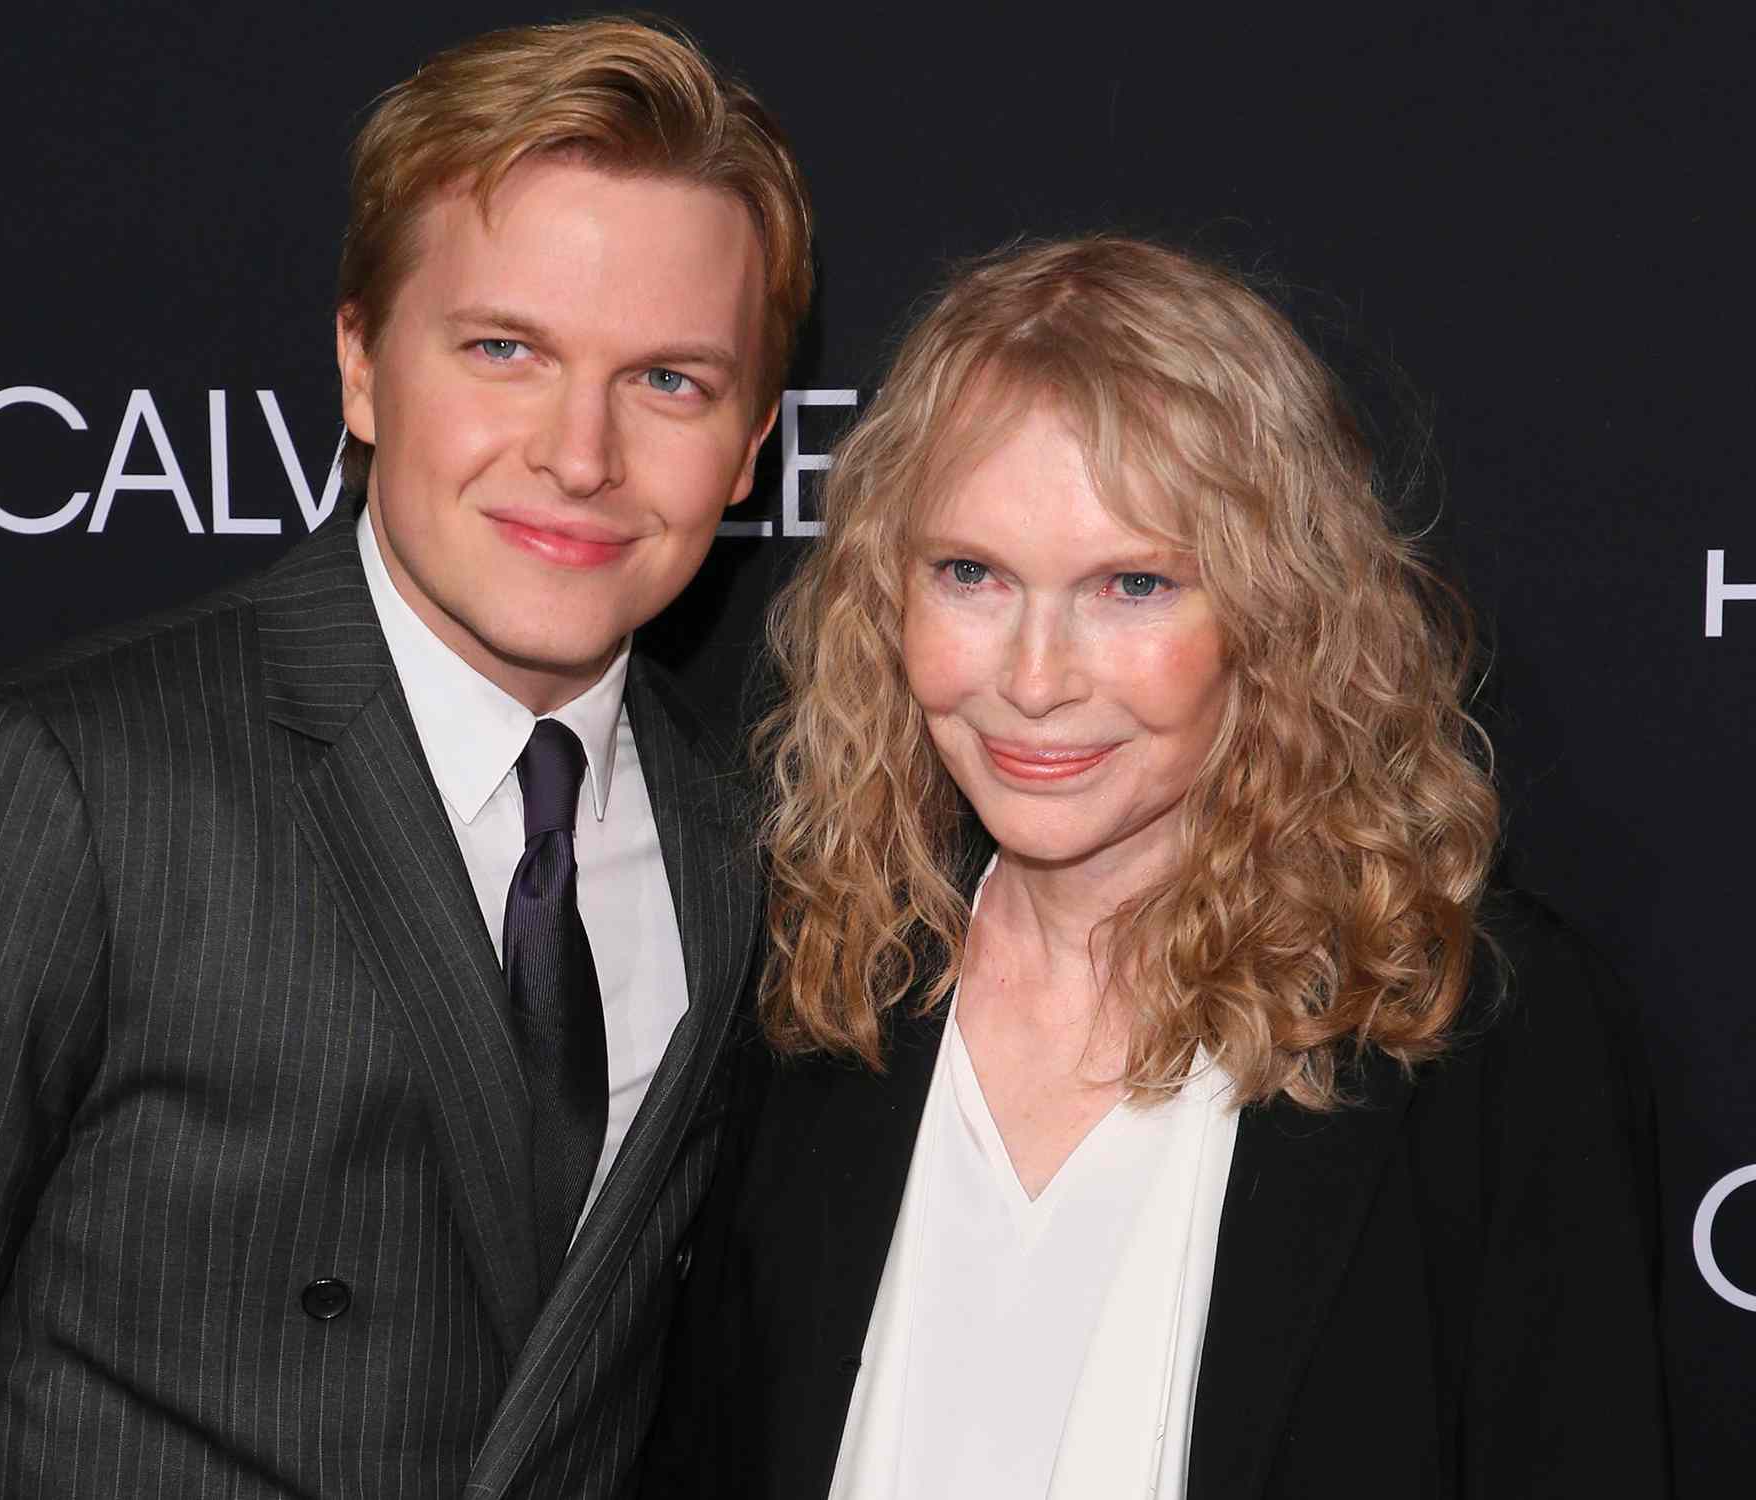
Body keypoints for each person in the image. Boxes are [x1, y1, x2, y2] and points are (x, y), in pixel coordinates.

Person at [0, 17, 811, 1497]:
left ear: (753, 443)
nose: (582, 453)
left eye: (669, 384)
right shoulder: (52, 787)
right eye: (505, 350)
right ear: (364, 367)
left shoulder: (738, 845)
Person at [642, 236, 1668, 1498]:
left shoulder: (1476, 1036)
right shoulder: (811, 991)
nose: (1031, 678)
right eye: (969, 574)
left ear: (1274, 611)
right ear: (881, 596)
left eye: (1129, 586)